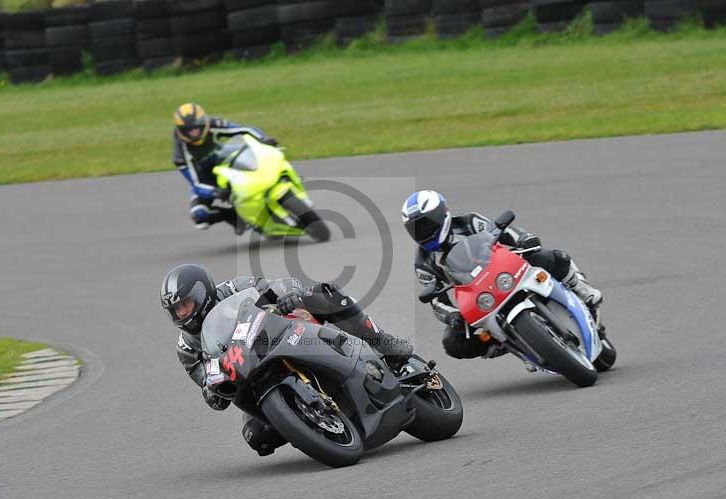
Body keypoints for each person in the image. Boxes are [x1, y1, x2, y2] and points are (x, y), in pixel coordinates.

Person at [160, 264, 414, 456]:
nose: (183, 313)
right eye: (176, 310)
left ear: (202, 291)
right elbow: (206, 385)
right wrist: (213, 391)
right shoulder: (187, 349)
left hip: (277, 333)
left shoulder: (233, 288)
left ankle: (383, 341)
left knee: (322, 293)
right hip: (247, 374)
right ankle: (310, 423)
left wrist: (290, 294)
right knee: (257, 437)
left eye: (186, 304)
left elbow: (276, 285)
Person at [401, 190, 603, 365]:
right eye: (415, 229)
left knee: (550, 257)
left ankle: (580, 287)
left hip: (505, 270)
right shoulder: (423, 263)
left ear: (442, 215)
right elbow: (436, 301)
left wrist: (524, 239)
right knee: (453, 342)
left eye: (425, 225)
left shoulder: (469, 222)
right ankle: (504, 343)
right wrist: (452, 315)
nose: (422, 233)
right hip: (478, 295)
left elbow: (506, 231)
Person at [172, 102, 278, 234]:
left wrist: (263, 139)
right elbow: (196, 184)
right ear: (181, 131)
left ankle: (277, 181)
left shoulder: (212, 124)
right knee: (199, 215)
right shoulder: (180, 156)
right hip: (206, 180)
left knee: (256, 161)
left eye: (196, 128)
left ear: (203, 123)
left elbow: (243, 129)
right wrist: (215, 192)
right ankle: (233, 216)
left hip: (224, 162)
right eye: (189, 130)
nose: (194, 133)